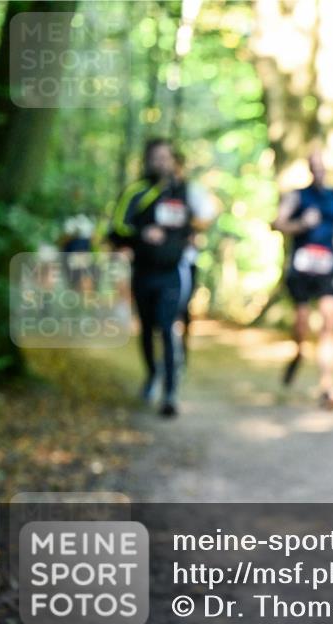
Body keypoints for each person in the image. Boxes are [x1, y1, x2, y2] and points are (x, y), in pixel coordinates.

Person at [110, 138, 199, 418]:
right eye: (156, 157)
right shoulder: (137, 191)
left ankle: (170, 393)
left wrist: (191, 238)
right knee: (148, 329)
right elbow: (116, 227)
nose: (161, 162)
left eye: (166, 157)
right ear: (148, 159)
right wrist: (141, 234)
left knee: (168, 326)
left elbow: (194, 223)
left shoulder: (183, 191)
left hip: (172, 273)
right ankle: (152, 375)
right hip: (144, 273)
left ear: (174, 160)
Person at [271, 147, 333, 410]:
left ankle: (327, 387)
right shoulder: (296, 196)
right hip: (302, 268)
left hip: (329, 267)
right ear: (309, 168)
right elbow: (276, 224)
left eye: (323, 164)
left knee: (328, 324)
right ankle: (299, 352)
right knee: (302, 326)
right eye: (315, 165)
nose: (319, 169)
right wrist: (300, 224)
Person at [172, 150, 218, 365]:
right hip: (157, 260)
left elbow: (208, 216)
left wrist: (188, 226)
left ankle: (181, 349)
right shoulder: (155, 191)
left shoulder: (192, 191)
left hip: (185, 259)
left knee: (183, 306)